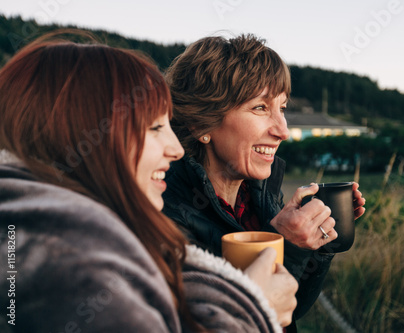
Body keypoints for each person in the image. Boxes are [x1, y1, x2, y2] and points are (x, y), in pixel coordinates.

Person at [0, 30, 297, 332]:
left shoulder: (65, 235)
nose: (176, 148)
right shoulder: (72, 264)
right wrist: (251, 311)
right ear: (86, 136)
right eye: (154, 127)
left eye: (283, 108)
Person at [161, 34, 366, 330]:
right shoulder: (164, 214)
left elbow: (286, 313)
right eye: (260, 108)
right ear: (201, 123)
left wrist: (315, 244)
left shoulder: (261, 195)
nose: (283, 130)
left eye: (282, 108)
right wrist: (286, 246)